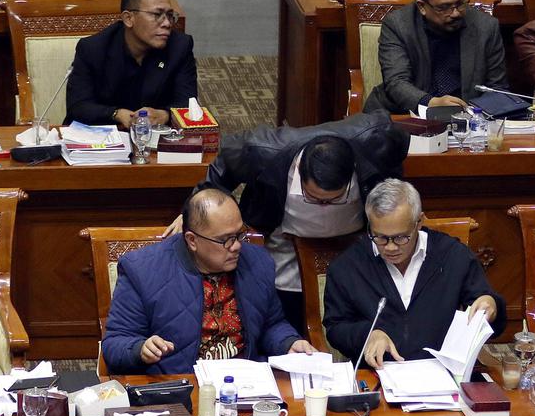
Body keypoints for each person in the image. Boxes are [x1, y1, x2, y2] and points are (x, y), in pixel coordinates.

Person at [164, 112, 410, 333]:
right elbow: (223, 169)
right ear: (300, 173)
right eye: (313, 198)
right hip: (286, 247)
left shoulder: (377, 138)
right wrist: (192, 212)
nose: (323, 207)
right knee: (286, 317)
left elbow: (398, 154)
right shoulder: (261, 150)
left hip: (352, 249)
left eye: (334, 200)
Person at [102, 189, 317, 375]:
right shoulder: (142, 270)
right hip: (183, 386)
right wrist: (140, 349)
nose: (237, 246)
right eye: (225, 240)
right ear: (192, 241)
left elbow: (272, 324)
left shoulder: (258, 262)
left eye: (239, 234)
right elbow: (115, 345)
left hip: (246, 383)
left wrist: (289, 342)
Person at [322, 179, 503, 368]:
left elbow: (487, 309)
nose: (390, 247)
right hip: (377, 374)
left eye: (401, 237)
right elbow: (336, 328)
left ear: (419, 222)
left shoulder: (452, 256)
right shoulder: (348, 266)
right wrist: (368, 335)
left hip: (442, 374)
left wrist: (490, 305)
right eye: (381, 237)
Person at [364, 0, 508, 113]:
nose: (456, 13)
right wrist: (431, 103)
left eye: (460, 3)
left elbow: (496, 89)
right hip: (403, 116)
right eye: (444, 7)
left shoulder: (486, 27)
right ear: (422, 7)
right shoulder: (398, 25)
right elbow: (396, 82)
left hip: (466, 120)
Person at [65, 0, 197, 129]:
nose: (166, 23)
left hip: (157, 138)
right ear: (128, 18)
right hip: (104, 136)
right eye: (157, 14)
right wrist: (117, 114)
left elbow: (188, 104)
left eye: (170, 15)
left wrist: (164, 115)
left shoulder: (180, 46)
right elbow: (78, 106)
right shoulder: (93, 49)